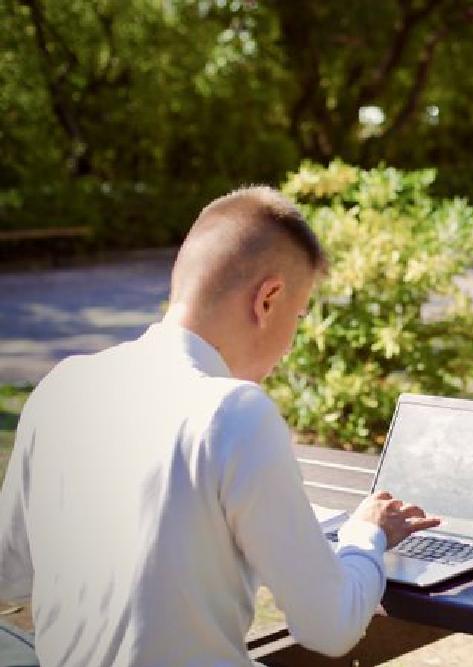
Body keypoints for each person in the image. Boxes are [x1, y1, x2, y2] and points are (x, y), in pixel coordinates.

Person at [0, 186, 440, 666]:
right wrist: (367, 534)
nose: (291, 343)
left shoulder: (63, 387)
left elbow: (11, 574)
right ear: (268, 299)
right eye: (297, 316)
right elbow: (331, 626)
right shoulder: (234, 412)